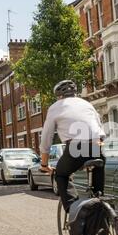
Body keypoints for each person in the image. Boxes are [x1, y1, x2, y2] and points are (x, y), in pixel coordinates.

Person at [39, 80, 107, 211]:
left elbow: (47, 137)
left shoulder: (55, 107)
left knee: (60, 175)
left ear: (58, 96)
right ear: (75, 93)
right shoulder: (87, 104)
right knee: (99, 169)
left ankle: (74, 209)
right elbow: (100, 128)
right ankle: (99, 201)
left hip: (76, 148)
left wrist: (44, 164)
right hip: (97, 145)